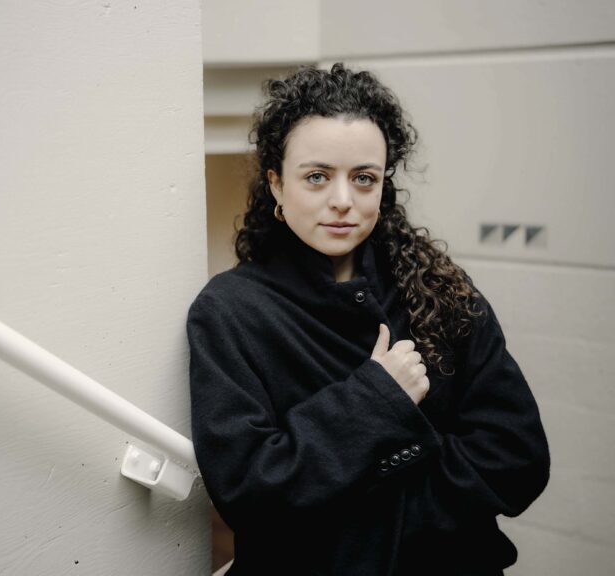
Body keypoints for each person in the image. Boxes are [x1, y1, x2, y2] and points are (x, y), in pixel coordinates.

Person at [187, 63, 550, 576]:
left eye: (364, 178)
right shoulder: (229, 311)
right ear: (275, 184)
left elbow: (517, 456)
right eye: (316, 177)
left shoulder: (439, 290)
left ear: (383, 185)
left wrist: (367, 524)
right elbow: (249, 490)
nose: (342, 201)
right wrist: (378, 399)